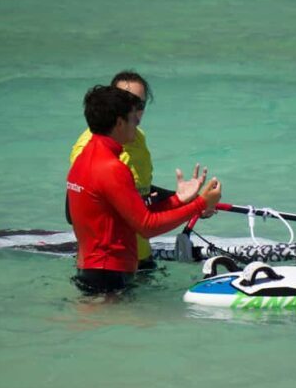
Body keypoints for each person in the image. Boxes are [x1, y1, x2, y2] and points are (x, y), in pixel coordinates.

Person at [67, 85, 221, 294]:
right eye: (133, 119)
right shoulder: (112, 168)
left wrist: (178, 199)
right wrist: (201, 204)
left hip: (93, 271)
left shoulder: (84, 158)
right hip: (109, 277)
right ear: (120, 123)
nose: (137, 124)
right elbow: (147, 226)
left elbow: (132, 215)